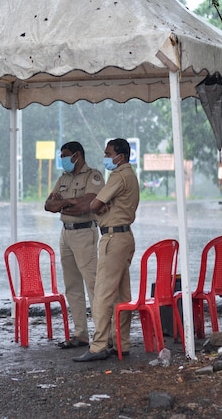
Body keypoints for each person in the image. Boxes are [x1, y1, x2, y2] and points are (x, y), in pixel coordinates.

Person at [73, 138, 139, 362]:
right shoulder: (130, 175)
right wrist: (103, 206)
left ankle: (99, 345)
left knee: (102, 294)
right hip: (124, 236)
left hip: (113, 238)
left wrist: (99, 206)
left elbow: (94, 204)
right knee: (122, 295)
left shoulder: (119, 176)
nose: (106, 158)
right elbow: (101, 204)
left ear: (120, 156)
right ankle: (122, 342)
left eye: (109, 153)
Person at [44, 142, 104, 349]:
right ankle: (81, 334)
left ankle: (103, 335)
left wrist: (62, 203)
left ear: (77, 155)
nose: (63, 159)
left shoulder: (92, 176)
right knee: (72, 286)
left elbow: (88, 205)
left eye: (66, 156)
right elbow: (48, 205)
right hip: (66, 234)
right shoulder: (63, 178)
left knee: (93, 284)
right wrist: (70, 203)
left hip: (84, 232)